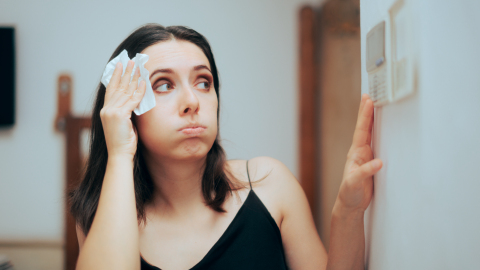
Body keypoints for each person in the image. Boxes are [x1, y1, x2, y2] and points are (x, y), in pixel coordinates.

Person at [70, 24, 382, 270]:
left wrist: (349, 211)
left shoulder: (270, 185)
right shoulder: (103, 214)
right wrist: (120, 151)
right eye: (163, 84)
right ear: (128, 106)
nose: (192, 101)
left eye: (203, 82)